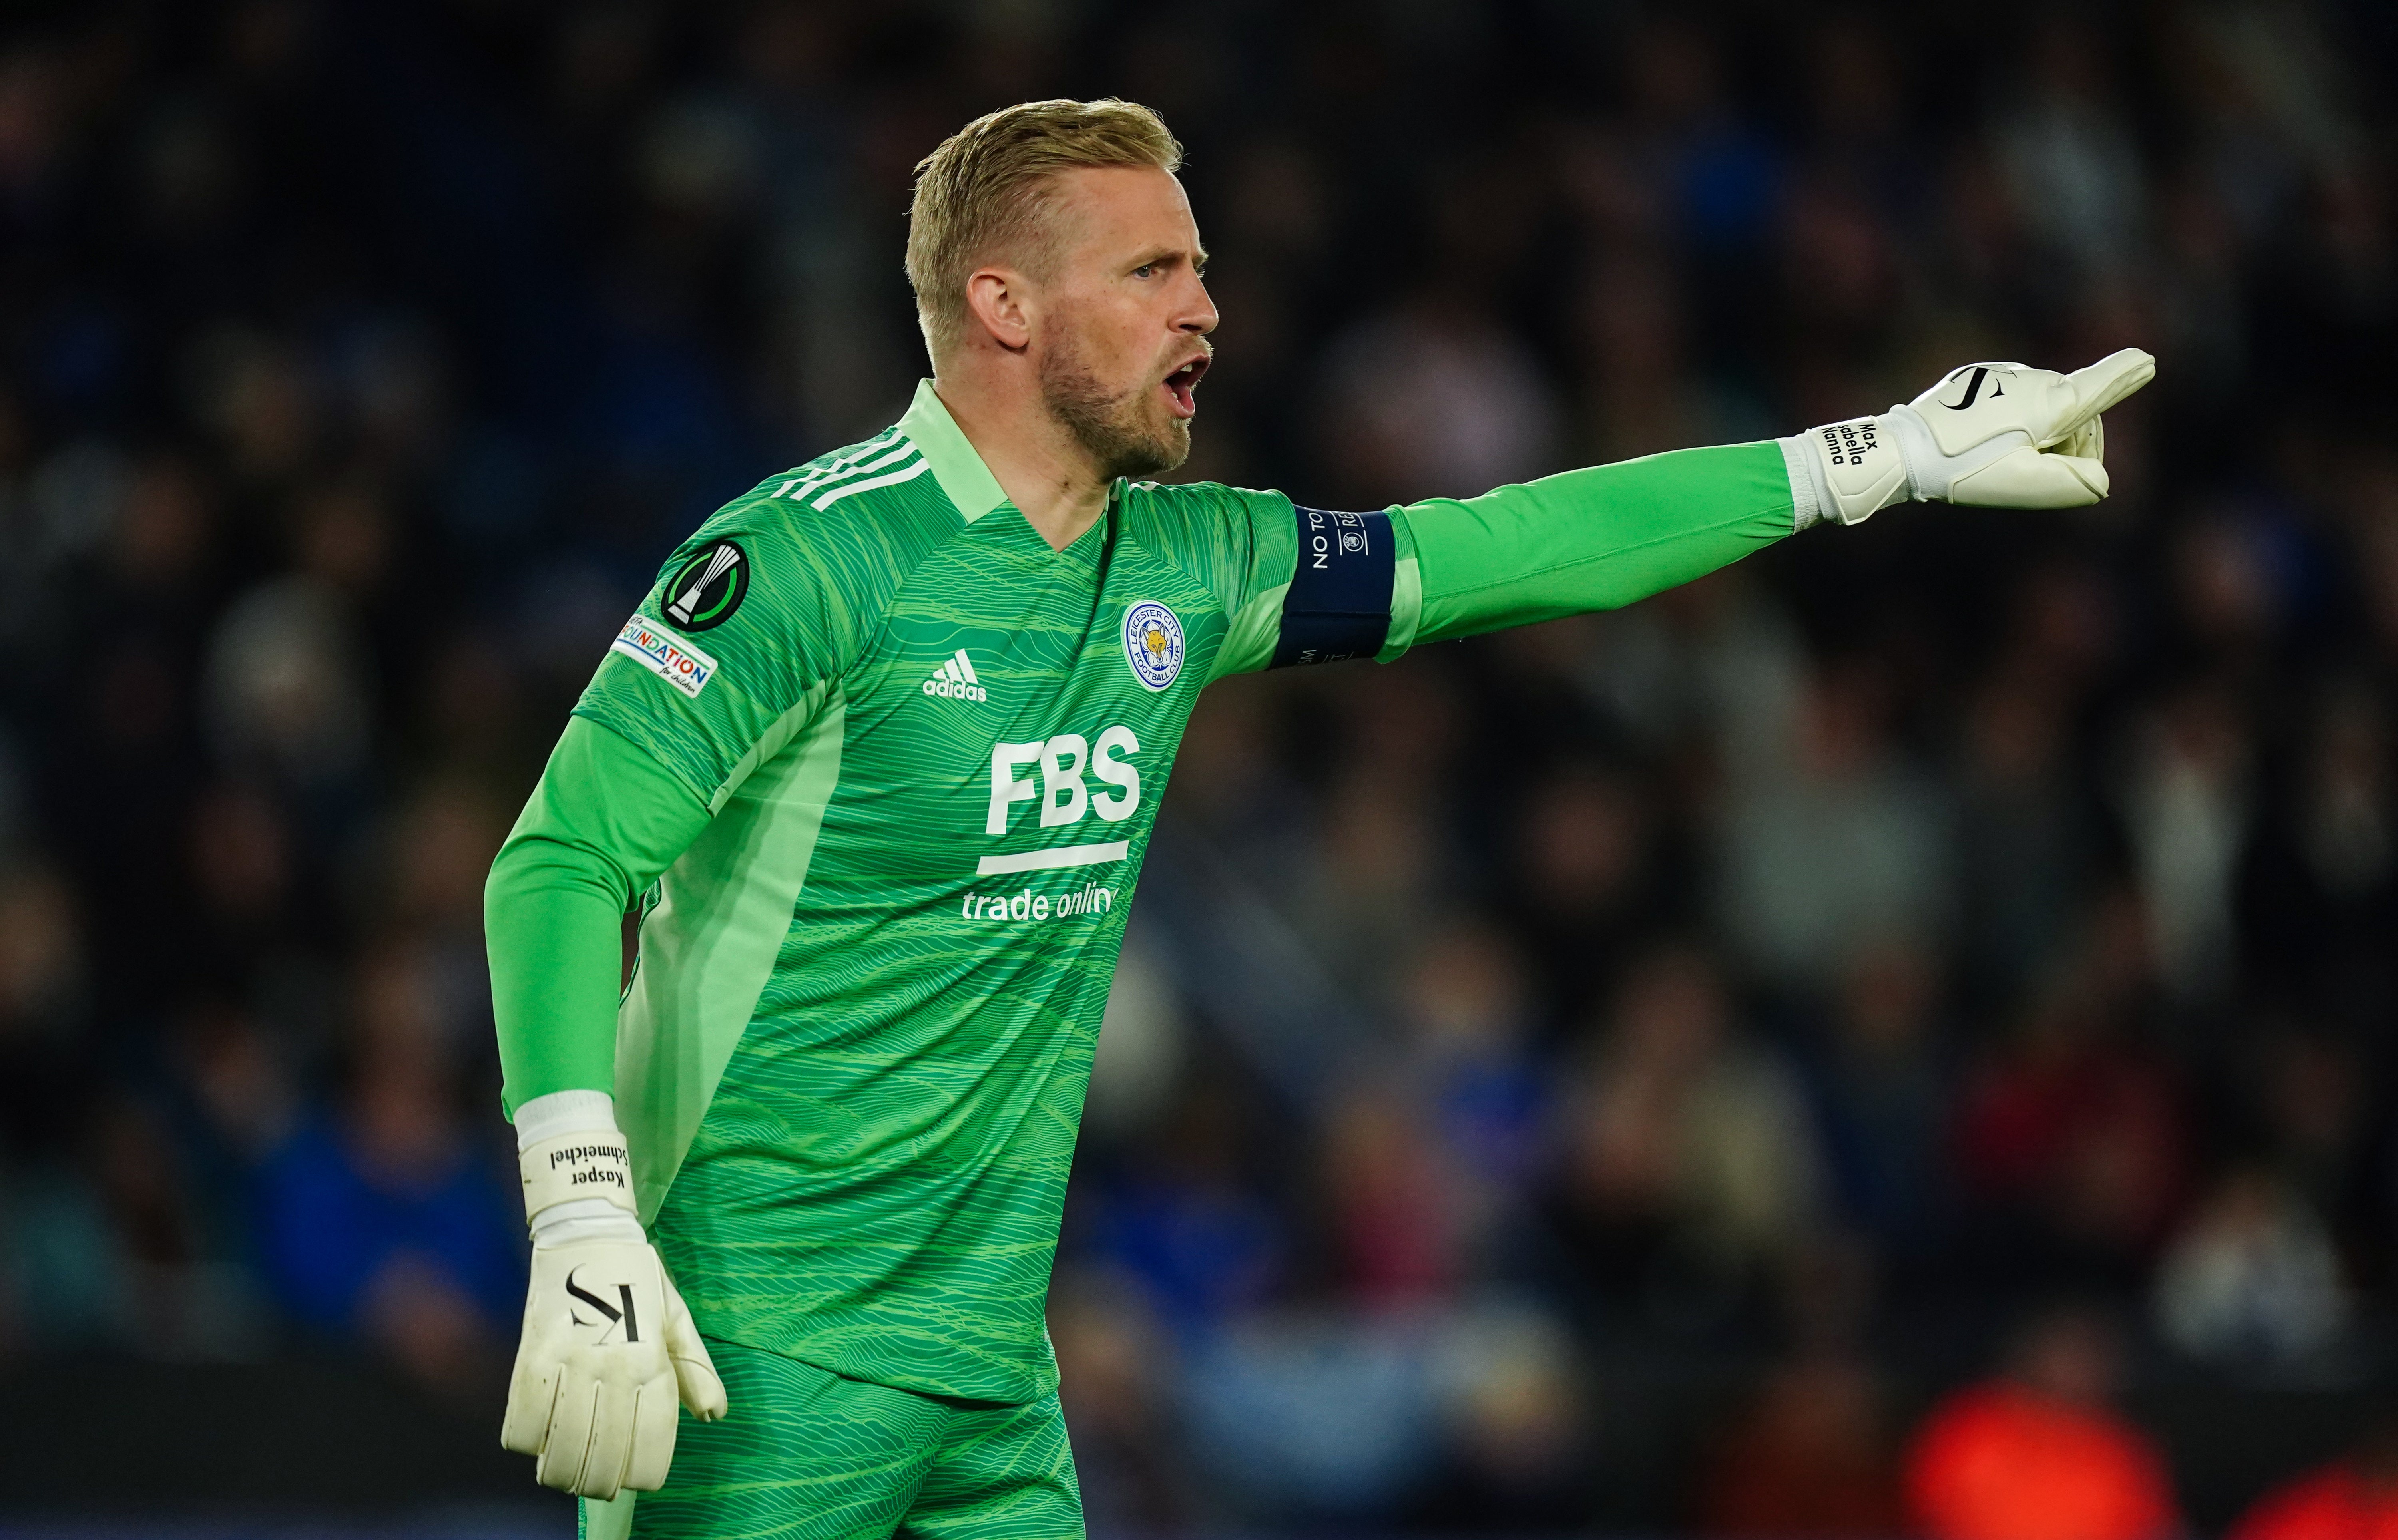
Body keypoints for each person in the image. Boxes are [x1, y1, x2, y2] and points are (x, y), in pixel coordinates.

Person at [483, 96, 2156, 1539]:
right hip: (746, 1351)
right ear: (1002, 302)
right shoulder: (805, 560)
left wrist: (1872, 456)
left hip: (989, 1370)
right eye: (1153, 272)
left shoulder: (1192, 566)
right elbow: (563, 858)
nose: (1207, 308)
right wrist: (579, 1205)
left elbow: (1500, 551)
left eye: (1202, 266)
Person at [1905, 1304, 2179, 1540]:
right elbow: (1932, 1513)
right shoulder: (1971, 1426)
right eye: (2068, 1351)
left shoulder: (2125, 1448)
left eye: (2091, 1354)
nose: (2079, 1365)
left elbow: (2151, 1525)